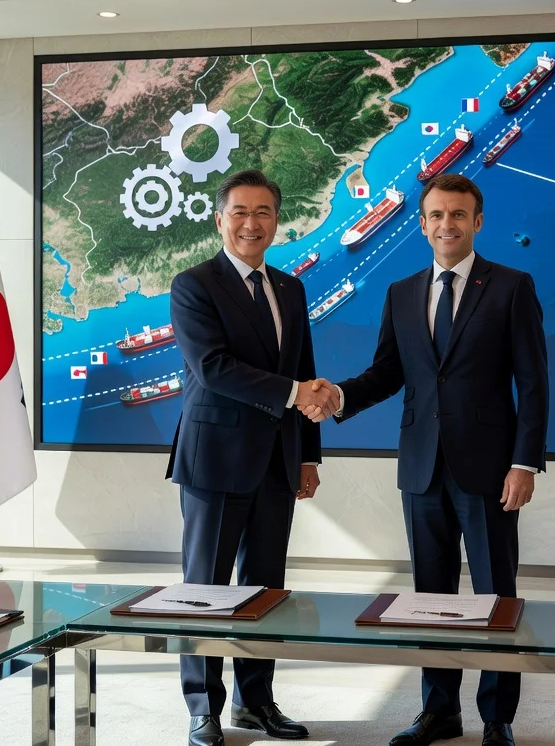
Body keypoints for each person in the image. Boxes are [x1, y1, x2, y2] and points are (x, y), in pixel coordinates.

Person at [305, 173, 549, 746]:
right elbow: (389, 373)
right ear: (422, 223)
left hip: (490, 470)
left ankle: (497, 717)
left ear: (477, 222)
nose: (447, 225)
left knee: (495, 596)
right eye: (436, 215)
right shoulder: (401, 292)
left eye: (458, 215)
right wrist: (339, 396)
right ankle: (440, 711)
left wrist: (525, 463)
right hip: (420, 469)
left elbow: (533, 385)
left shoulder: (512, 286)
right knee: (429, 600)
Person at [166, 169, 337, 746]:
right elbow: (210, 369)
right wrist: (294, 395)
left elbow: (303, 368)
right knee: (206, 591)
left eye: (263, 212)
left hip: (276, 460)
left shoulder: (290, 288)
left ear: (276, 221)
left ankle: (254, 701)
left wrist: (308, 456)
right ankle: (202, 708)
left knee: (265, 589)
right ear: (220, 219)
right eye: (240, 212)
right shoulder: (193, 285)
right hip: (214, 458)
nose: (251, 223)